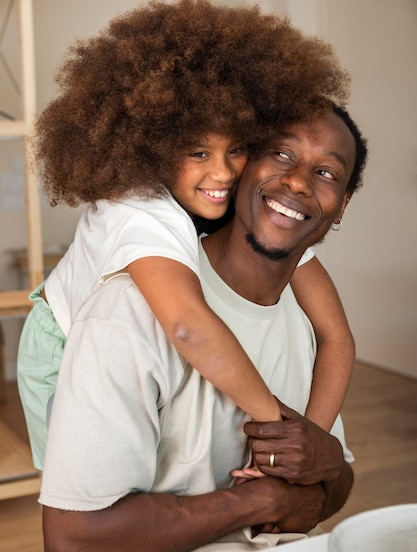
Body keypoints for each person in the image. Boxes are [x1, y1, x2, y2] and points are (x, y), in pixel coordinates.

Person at [39, 102, 368, 552]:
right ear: (245, 172)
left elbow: (328, 489)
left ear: (342, 206)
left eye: (325, 172)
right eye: (280, 153)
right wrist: (266, 495)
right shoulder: (137, 297)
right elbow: (72, 535)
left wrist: (319, 454)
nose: (298, 181)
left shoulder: (304, 315)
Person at [18, 0, 353, 471]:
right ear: (153, 145)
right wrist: (277, 429)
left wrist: (310, 445)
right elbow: (187, 327)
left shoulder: (239, 198)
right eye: (197, 151)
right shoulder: (138, 211)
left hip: (142, 348)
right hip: (63, 343)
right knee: (90, 488)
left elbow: (336, 335)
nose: (221, 172)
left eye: (236, 149)